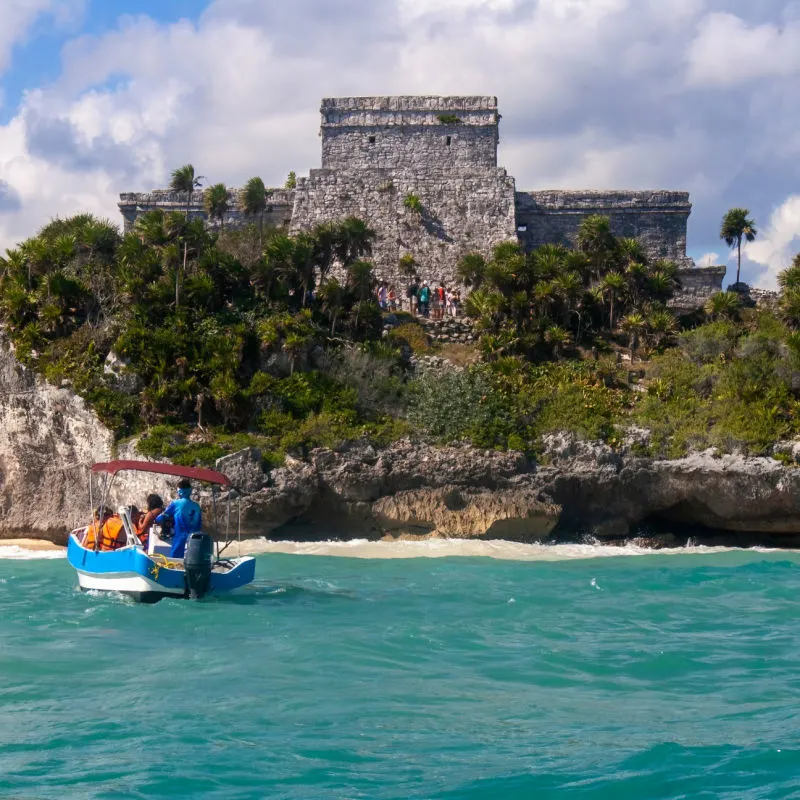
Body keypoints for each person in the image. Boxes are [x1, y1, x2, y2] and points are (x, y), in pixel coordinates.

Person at [156, 479, 202, 558]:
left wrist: (156, 519)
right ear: (190, 491)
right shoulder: (197, 506)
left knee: (175, 559)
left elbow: (162, 516)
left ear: (179, 492)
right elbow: (199, 523)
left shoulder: (176, 503)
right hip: (195, 539)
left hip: (180, 537)